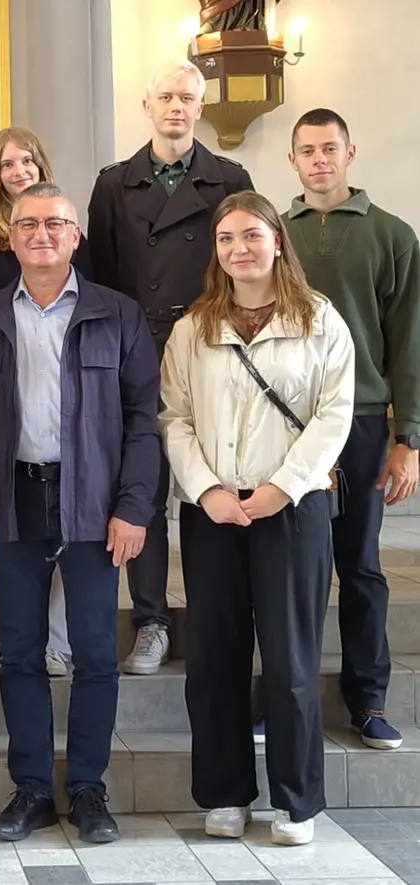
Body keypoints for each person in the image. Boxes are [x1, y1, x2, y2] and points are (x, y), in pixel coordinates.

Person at [0, 182, 160, 845]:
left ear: (75, 236)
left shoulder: (119, 314)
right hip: (14, 497)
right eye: (27, 224)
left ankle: (88, 788)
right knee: (18, 651)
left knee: (96, 653)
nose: (41, 233)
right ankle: (31, 791)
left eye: (54, 223)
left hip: (94, 500)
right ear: (10, 236)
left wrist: (134, 507)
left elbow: (142, 421)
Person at [161, 191, 354, 846]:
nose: (239, 249)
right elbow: (174, 416)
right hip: (212, 511)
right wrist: (207, 488)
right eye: (226, 240)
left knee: (291, 657)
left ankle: (296, 800)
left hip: (292, 511)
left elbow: (334, 416)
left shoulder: (319, 320)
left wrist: (283, 485)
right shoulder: (194, 328)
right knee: (213, 656)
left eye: (250, 236)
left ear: (277, 240)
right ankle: (223, 794)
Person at [87, 59, 254, 676]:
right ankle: (152, 619)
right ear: (147, 106)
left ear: (201, 106)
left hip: (208, 344)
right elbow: (100, 280)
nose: (177, 107)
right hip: (137, 350)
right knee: (144, 489)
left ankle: (217, 615)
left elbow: (244, 262)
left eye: (187, 97)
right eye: (166, 97)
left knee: (213, 480)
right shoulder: (112, 185)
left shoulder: (230, 177)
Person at [284, 108, 420, 750]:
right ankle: (287, 692)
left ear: (350, 152)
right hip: (288, 423)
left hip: (365, 422)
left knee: (360, 567)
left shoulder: (393, 236)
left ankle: (368, 700)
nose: (319, 159)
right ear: (292, 160)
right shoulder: (274, 236)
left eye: (329, 148)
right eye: (307, 150)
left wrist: (407, 439)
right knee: (292, 569)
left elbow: (408, 346)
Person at [0, 126, 83, 678]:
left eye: (26, 160)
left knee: (63, 536)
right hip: (2, 384)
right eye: (6, 164)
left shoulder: (71, 232)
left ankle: (56, 641)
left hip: (59, 388)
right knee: (1, 534)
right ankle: (6, 641)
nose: (17, 170)